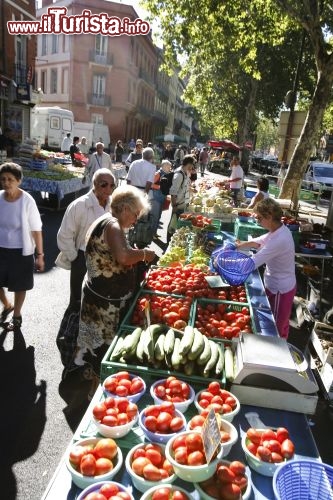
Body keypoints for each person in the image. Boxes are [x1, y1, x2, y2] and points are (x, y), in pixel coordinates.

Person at [74, 185, 156, 371]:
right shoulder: (113, 226)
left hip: (98, 294)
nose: (136, 220)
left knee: (94, 345)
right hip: (105, 302)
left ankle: (90, 376)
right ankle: (94, 383)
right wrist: (144, 254)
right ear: (125, 208)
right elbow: (124, 257)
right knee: (102, 349)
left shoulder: (107, 220)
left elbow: (118, 254)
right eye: (136, 214)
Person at [235, 198, 296, 339]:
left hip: (280, 288)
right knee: (277, 323)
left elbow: (254, 261)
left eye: (259, 218)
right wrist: (240, 245)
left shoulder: (280, 239)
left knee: (275, 328)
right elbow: (259, 241)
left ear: (269, 217)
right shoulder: (277, 230)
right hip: (274, 282)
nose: (257, 220)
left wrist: (231, 266)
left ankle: (279, 353)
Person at [57, 168, 116, 311]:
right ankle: (70, 329)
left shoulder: (113, 205)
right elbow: (64, 234)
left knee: (97, 300)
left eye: (112, 185)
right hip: (82, 257)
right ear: (94, 184)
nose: (108, 188)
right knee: (77, 300)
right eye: (103, 184)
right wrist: (75, 257)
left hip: (105, 259)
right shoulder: (79, 205)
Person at [0, 162, 44, 331]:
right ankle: (7, 305)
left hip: (20, 252)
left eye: (10, 179)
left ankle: (17, 315)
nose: (6, 183)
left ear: (19, 181)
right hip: (1, 249)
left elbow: (36, 229)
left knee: (19, 285)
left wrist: (40, 255)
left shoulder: (27, 201)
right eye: (3, 179)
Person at [167, 155, 196, 240]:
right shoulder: (179, 174)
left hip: (183, 204)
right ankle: (169, 241)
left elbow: (184, 186)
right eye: (190, 166)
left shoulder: (185, 172)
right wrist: (174, 206)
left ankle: (172, 240)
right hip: (178, 205)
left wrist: (191, 189)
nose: (191, 168)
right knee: (173, 225)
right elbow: (173, 192)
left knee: (178, 226)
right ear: (186, 164)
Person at [150, 159, 172, 236]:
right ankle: (152, 234)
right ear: (164, 166)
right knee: (155, 217)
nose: (170, 168)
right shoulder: (158, 174)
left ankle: (154, 233)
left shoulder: (166, 174)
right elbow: (150, 184)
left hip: (161, 197)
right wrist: (160, 187)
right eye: (169, 167)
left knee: (158, 216)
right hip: (155, 198)